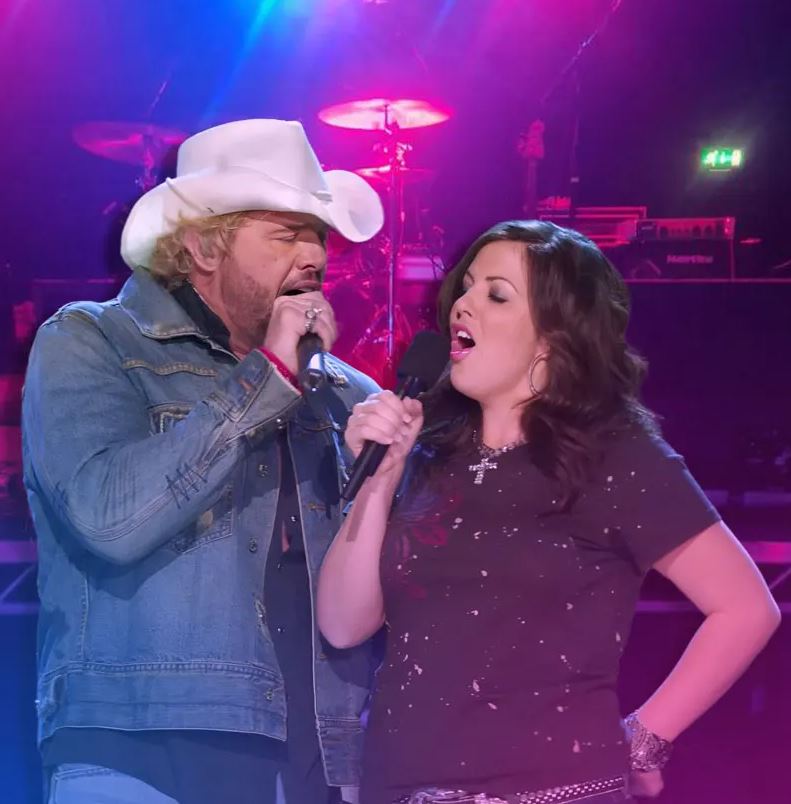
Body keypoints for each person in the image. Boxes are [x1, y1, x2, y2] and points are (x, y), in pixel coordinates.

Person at [317, 220, 781, 804]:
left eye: (496, 294)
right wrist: (380, 479)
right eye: (466, 285)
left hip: (552, 788)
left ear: (553, 338)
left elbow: (745, 608)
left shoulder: (613, 454)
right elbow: (343, 624)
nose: (463, 303)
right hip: (397, 785)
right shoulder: (426, 451)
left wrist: (643, 738)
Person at [23, 118, 385, 804]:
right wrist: (267, 378)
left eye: (319, 235)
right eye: (286, 233)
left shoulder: (348, 394)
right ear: (202, 246)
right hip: (139, 747)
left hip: (314, 759)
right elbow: (109, 519)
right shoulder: (92, 341)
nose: (313, 254)